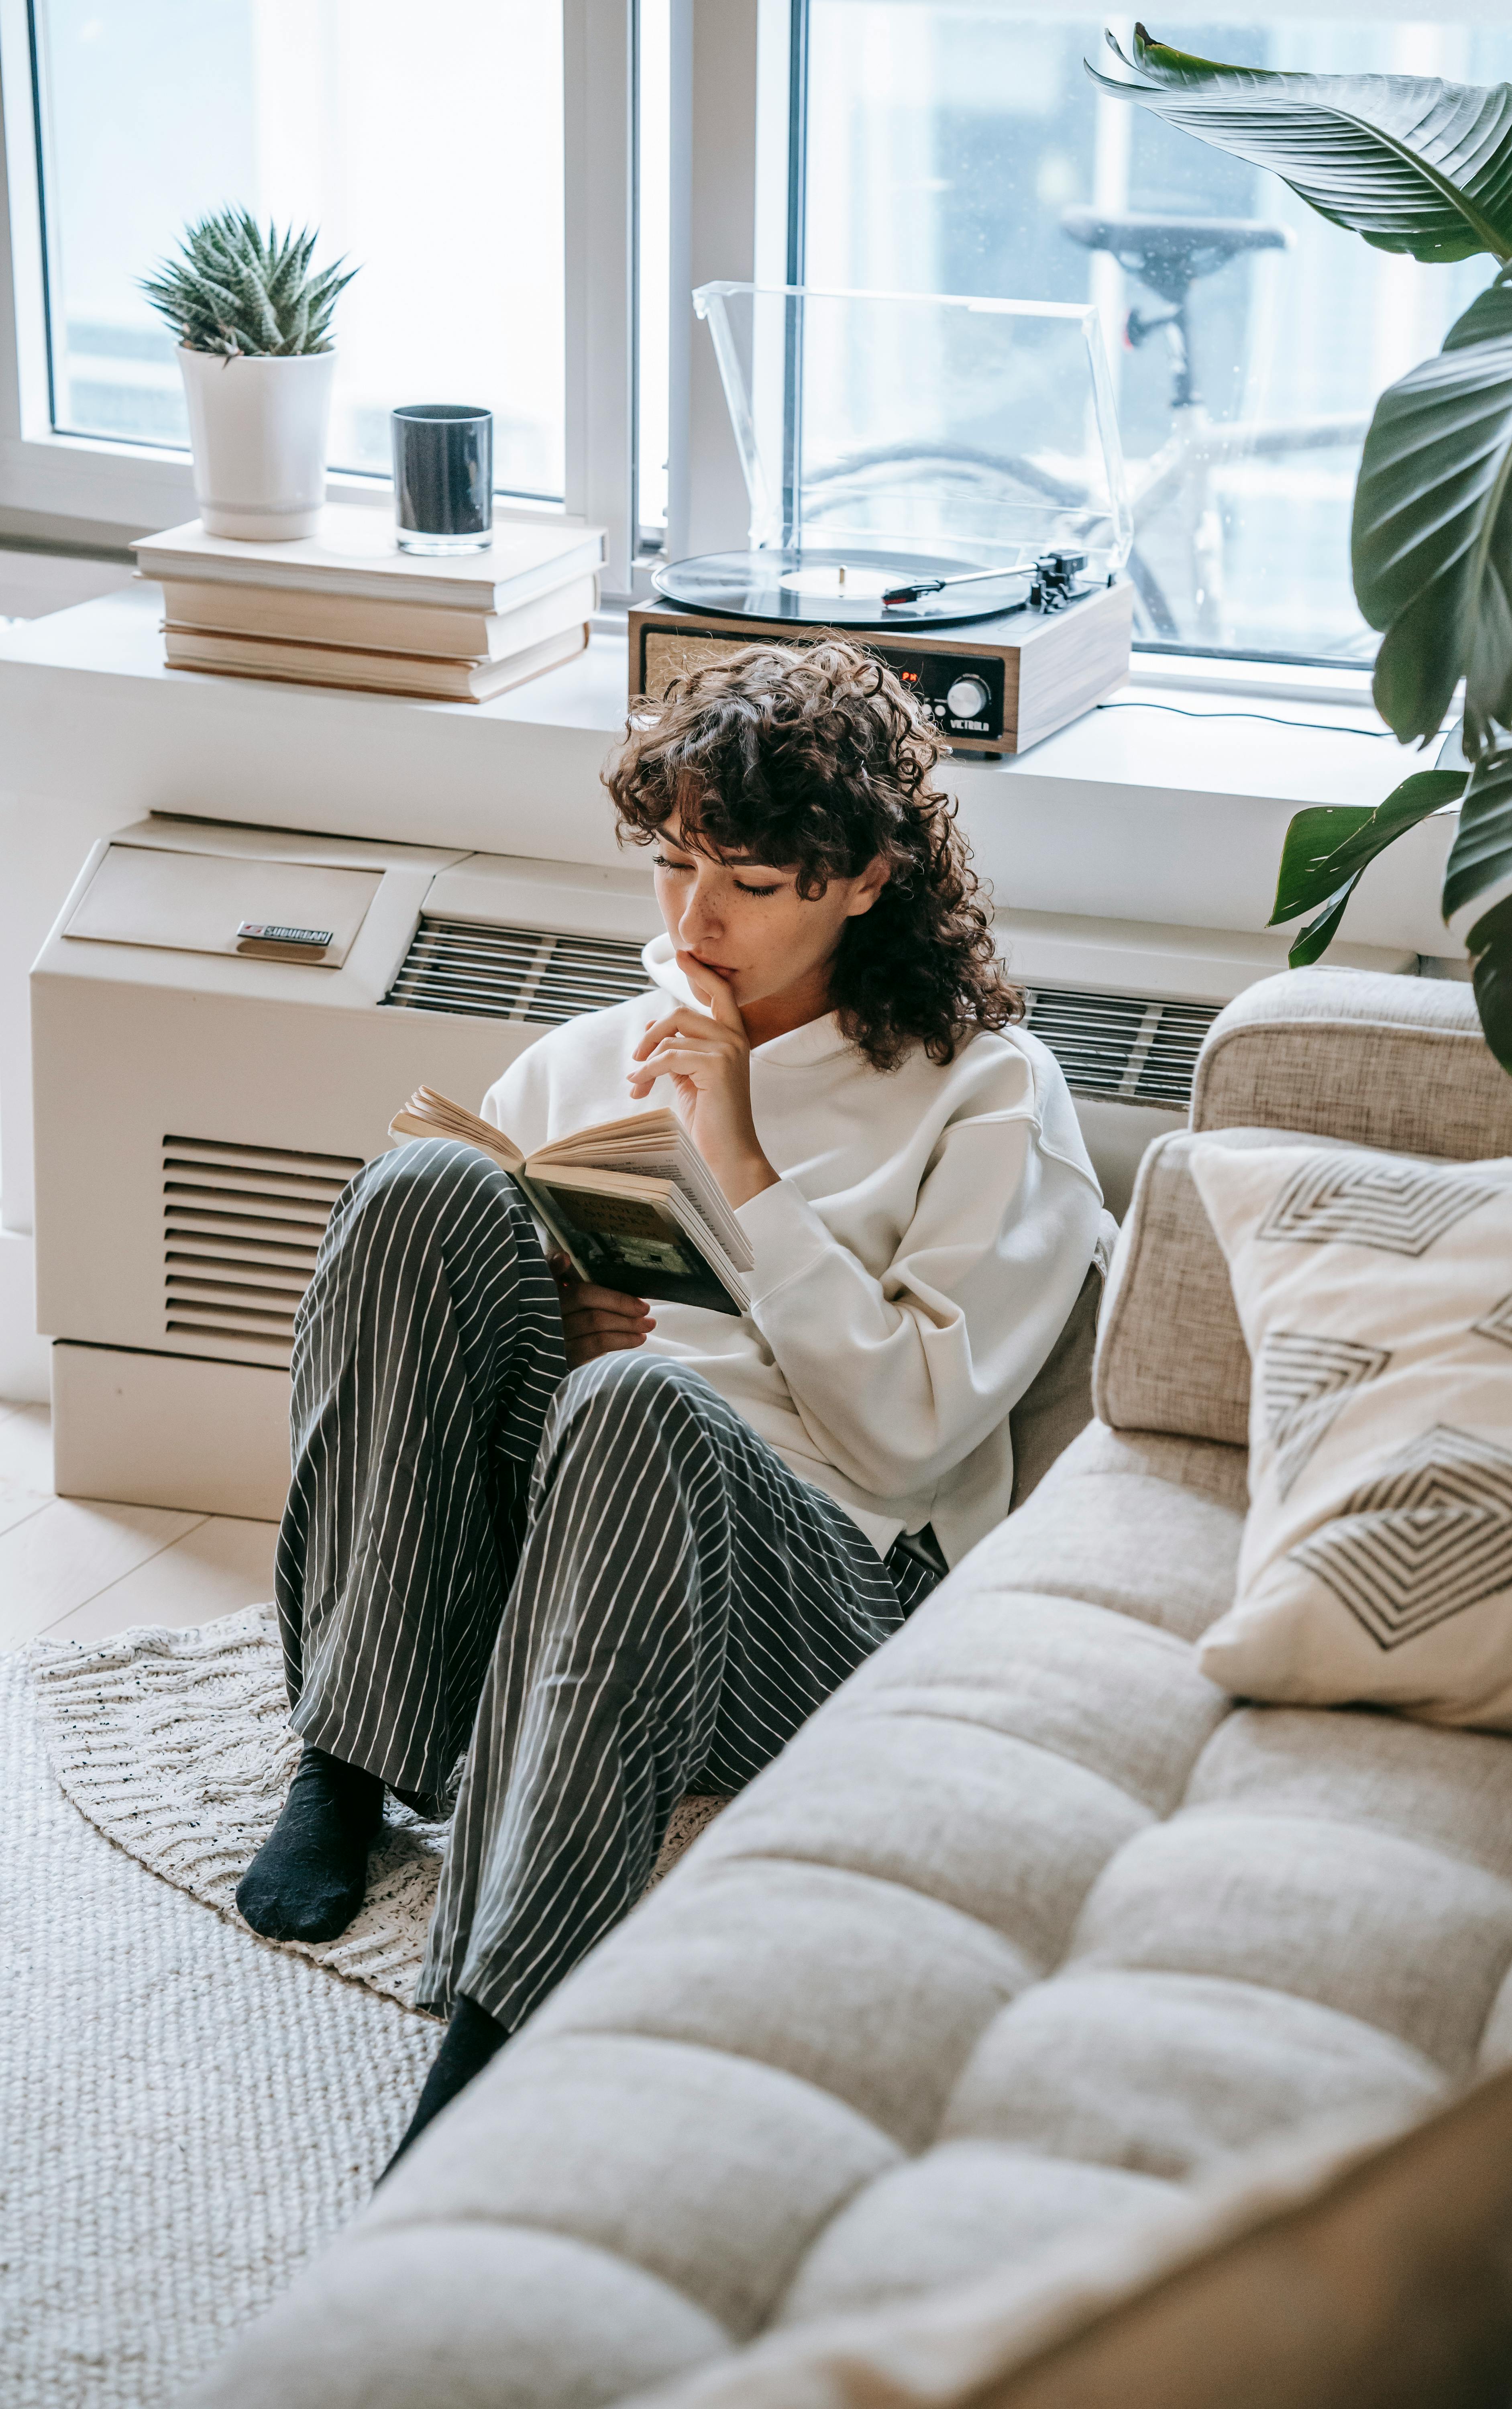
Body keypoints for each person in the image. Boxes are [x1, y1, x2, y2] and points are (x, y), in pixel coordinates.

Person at [234, 637, 1103, 2162]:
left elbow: (912, 1432)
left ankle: (504, 2019)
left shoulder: (989, 1095)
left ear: (866, 875)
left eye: (750, 882)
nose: (695, 919)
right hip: (588, 1536)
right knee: (426, 1189)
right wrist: (571, 1334)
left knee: (646, 1413)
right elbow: (473, 1388)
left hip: (823, 1590)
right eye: (675, 864)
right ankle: (354, 1752)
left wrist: (748, 1165)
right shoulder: (589, 1058)